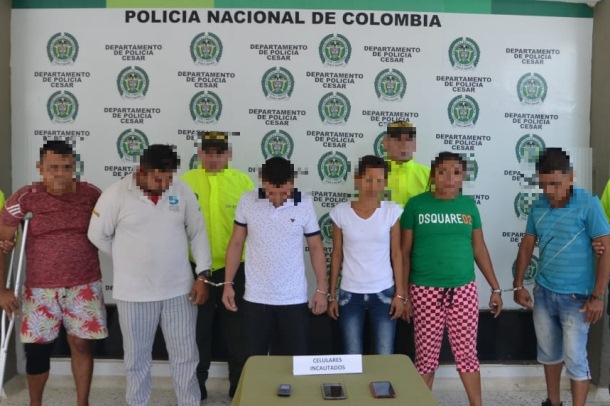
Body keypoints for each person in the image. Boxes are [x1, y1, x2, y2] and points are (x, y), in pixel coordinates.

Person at [88, 144, 212, 406]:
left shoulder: (181, 189)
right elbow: (97, 234)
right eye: (158, 179)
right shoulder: (116, 194)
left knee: (186, 356)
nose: (165, 184)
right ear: (142, 171)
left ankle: (189, 402)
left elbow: (198, 232)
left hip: (179, 291)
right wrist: (127, 257)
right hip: (133, 294)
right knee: (137, 359)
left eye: (169, 178)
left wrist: (202, 275)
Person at [0, 140, 108, 406]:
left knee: (81, 343)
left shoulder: (91, 194)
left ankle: (82, 403)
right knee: (38, 350)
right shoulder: (25, 197)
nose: (60, 174)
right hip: (40, 288)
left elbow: (113, 223)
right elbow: (2, 244)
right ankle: (35, 403)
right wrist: (1, 290)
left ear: (74, 167)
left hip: (84, 284)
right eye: (53, 168)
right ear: (41, 168)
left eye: (66, 167)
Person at [401, 151, 502, 406]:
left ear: (463, 177)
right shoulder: (415, 205)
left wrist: (495, 288)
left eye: (456, 173)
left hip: (463, 290)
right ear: (433, 175)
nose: (449, 178)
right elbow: (404, 253)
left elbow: (479, 249)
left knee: (467, 355)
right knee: (426, 358)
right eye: (442, 172)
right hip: (424, 290)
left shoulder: (468, 206)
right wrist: (403, 295)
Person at [513, 147, 610, 406]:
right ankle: (553, 403)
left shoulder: (589, 204)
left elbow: (606, 251)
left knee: (576, 358)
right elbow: (527, 245)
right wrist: (518, 284)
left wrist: (598, 296)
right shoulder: (538, 206)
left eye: (556, 184)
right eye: (544, 184)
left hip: (578, 298)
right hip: (544, 293)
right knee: (548, 354)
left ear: (571, 177)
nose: (550, 191)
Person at [222, 157, 328, 357]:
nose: (278, 198)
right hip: (255, 297)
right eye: (271, 193)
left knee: (295, 363)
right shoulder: (248, 200)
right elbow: (236, 243)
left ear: (293, 183)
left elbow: (315, 247)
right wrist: (228, 283)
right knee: (254, 361)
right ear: (262, 181)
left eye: (284, 193)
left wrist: (322, 289)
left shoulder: (304, 203)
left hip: (293, 298)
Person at [181, 131, 254, 399]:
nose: (213, 158)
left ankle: (239, 387)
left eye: (219, 153)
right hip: (195, 270)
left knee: (237, 333)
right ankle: (196, 387)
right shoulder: (185, 182)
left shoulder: (243, 182)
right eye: (208, 153)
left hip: (235, 270)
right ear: (200, 153)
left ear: (229, 154)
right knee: (197, 332)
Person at [327, 155, 404, 354]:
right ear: (357, 179)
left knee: (385, 354)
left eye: (379, 180)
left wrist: (400, 294)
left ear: (385, 182)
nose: (373, 186)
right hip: (349, 294)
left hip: (384, 292)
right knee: (352, 354)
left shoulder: (392, 212)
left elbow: (397, 254)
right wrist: (331, 295)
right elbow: (337, 255)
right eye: (368, 179)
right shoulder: (340, 212)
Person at [382, 120, 430, 207]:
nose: (403, 144)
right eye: (398, 139)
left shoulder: (429, 175)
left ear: (414, 145)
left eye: (408, 140)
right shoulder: (372, 174)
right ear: (386, 144)